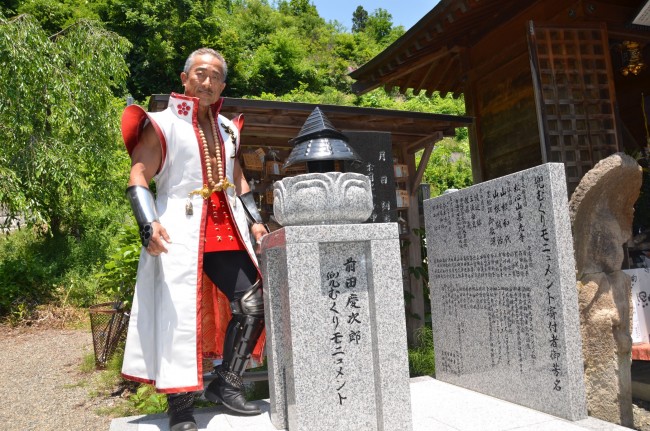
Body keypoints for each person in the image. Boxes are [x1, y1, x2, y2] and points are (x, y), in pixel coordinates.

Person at [121, 48, 268, 431]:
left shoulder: (228, 129)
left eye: (216, 76)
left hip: (225, 226)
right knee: (177, 316)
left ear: (223, 85)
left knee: (253, 300)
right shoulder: (162, 123)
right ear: (185, 78)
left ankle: (227, 385)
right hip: (177, 229)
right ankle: (180, 407)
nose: (207, 81)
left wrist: (255, 222)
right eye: (200, 73)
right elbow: (139, 173)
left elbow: (238, 181)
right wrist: (147, 222)